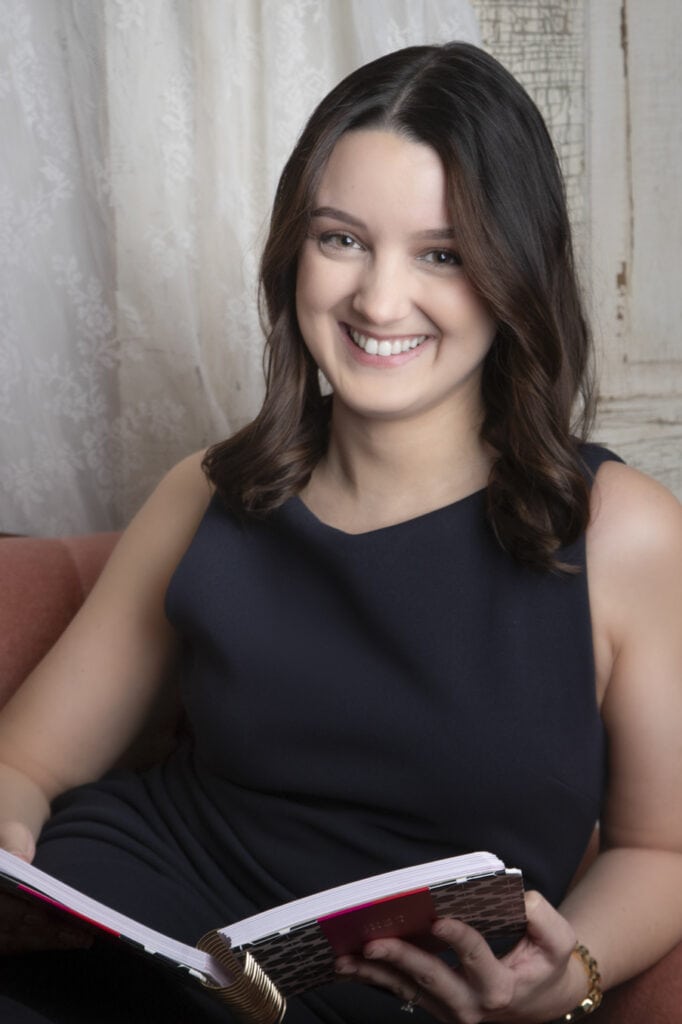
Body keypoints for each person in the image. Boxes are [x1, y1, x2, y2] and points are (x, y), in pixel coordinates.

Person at [0, 40, 681, 1024]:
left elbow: (662, 848)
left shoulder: (624, 534)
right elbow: (26, 758)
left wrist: (566, 976)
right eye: (341, 238)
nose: (377, 298)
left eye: (440, 254)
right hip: (135, 920)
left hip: (396, 995)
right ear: (293, 251)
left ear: (513, 274)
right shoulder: (209, 490)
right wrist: (14, 827)